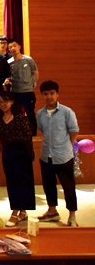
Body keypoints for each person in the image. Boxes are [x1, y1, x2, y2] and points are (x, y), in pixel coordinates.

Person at [36, 80, 79, 227]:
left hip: (63, 156)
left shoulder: (67, 112)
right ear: (42, 95)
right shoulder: (40, 113)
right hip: (46, 156)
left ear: (57, 94)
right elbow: (41, 130)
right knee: (48, 185)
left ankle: (72, 216)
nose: (49, 96)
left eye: (52, 93)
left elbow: (74, 131)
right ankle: (52, 211)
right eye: (46, 94)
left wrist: (67, 145)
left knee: (68, 186)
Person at [0, 91, 35, 227]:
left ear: (12, 102)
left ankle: (15, 213)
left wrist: (30, 155)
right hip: (8, 154)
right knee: (12, 183)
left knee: (23, 183)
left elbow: (28, 138)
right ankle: (22, 211)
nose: (3, 104)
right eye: (0, 102)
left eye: (5, 101)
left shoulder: (20, 118)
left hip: (22, 155)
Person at [5, 39, 40, 135]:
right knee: (15, 114)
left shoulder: (28, 59)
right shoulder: (9, 62)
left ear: (19, 46)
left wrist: (32, 84)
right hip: (15, 92)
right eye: (10, 47)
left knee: (30, 113)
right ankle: (17, 133)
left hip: (28, 92)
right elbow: (8, 76)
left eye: (14, 46)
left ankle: (33, 134)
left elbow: (35, 73)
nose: (13, 48)